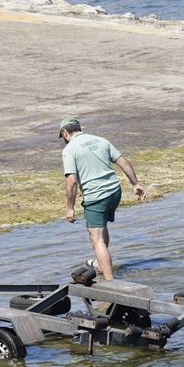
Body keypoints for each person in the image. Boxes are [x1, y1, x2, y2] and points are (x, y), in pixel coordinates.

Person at [60, 118, 146, 281]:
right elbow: (123, 162)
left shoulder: (69, 149)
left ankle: (110, 282)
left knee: (96, 238)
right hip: (114, 192)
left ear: (65, 133)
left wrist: (70, 208)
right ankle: (102, 263)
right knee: (100, 228)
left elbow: (71, 181)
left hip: (96, 197)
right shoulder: (101, 140)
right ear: (79, 128)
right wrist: (135, 184)